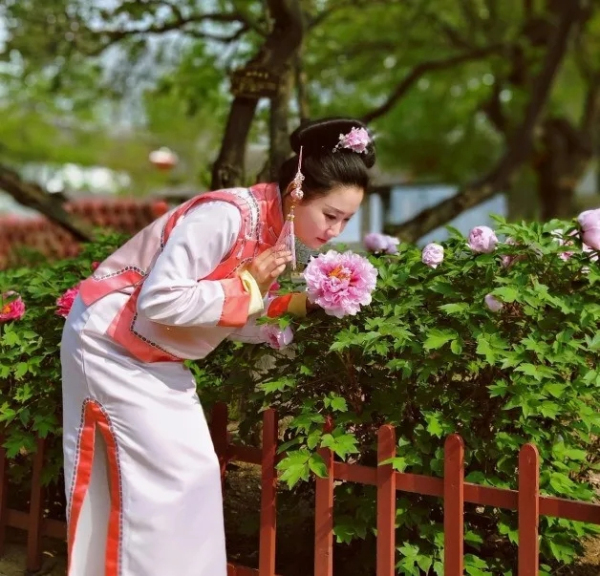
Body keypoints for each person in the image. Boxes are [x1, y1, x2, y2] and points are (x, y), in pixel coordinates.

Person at [60, 117, 375, 576]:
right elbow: (161, 300)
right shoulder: (225, 215)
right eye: (331, 215)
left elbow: (222, 312)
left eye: (346, 220)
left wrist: (296, 306)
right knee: (159, 484)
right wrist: (249, 287)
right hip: (111, 344)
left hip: (158, 350)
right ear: (295, 193)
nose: (335, 231)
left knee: (198, 475)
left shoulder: (275, 232)